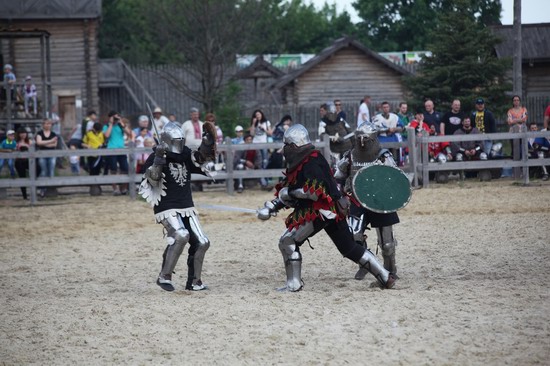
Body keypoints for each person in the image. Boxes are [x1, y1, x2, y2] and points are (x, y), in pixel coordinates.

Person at [256, 124, 396, 292]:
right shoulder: (304, 160)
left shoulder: (312, 162)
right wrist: (272, 206)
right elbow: (293, 190)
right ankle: (385, 276)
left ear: (294, 146)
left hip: (319, 211)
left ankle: (294, 284)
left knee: (287, 241)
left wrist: (289, 193)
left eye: (287, 145)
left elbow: (314, 193)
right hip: (331, 211)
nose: (285, 149)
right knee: (349, 248)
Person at [138, 120, 217, 292]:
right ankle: (164, 276)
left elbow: (200, 159)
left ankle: (195, 282)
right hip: (166, 206)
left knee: (203, 242)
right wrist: (159, 159)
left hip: (186, 205)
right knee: (181, 235)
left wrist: (207, 143)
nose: (179, 145)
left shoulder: (185, 154)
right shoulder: (155, 157)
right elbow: (152, 179)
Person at [333, 123, 402, 278]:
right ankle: (366, 264)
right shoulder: (350, 155)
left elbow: (395, 178)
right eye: (360, 139)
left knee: (387, 244)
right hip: (357, 201)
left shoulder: (383, 155)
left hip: (380, 201)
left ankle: (390, 269)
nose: (363, 142)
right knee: (354, 235)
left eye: (366, 139)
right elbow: (338, 177)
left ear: (373, 139)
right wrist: (341, 194)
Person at [103, 111, 132, 196]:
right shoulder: (106, 126)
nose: (116, 119)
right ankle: (115, 189)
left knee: (125, 169)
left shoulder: (120, 126)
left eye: (117, 117)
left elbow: (129, 134)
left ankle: (123, 189)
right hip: (111, 150)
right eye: (114, 117)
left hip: (122, 150)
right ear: (110, 117)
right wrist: (111, 124)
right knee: (113, 170)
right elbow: (107, 135)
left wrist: (121, 123)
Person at [35, 118, 58, 197]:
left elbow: (54, 145)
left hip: (52, 154)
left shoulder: (54, 134)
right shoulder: (39, 133)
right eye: (46, 123)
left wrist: (44, 143)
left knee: (51, 170)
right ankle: (41, 188)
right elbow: (38, 143)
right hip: (42, 154)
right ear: (43, 125)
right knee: (43, 170)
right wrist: (50, 141)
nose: (48, 125)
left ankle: (51, 189)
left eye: (49, 124)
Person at [82, 122, 106, 195]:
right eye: (96, 130)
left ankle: (98, 186)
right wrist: (87, 146)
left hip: (99, 155)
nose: (98, 131)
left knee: (98, 171)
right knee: (92, 171)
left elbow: (103, 142)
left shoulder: (101, 133)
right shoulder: (88, 133)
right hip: (91, 155)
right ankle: (92, 188)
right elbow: (83, 143)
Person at [14, 127, 34, 199]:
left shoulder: (30, 142)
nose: (23, 135)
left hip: (28, 161)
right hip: (19, 162)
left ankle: (34, 193)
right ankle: (24, 195)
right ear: (18, 134)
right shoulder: (15, 142)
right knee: (22, 177)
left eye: (24, 133)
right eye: (21, 133)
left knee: (35, 172)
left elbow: (33, 152)